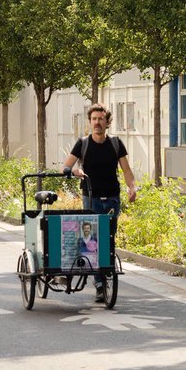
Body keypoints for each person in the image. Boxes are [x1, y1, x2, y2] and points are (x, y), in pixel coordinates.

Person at [64, 104, 138, 301]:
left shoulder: (115, 143)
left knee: (109, 238)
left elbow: (127, 171)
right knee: (92, 242)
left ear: (107, 122)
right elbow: (67, 165)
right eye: (94, 119)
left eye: (101, 119)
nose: (97, 122)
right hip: (91, 198)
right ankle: (98, 283)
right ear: (90, 122)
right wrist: (75, 171)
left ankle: (106, 273)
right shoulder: (82, 144)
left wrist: (132, 187)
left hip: (112, 197)